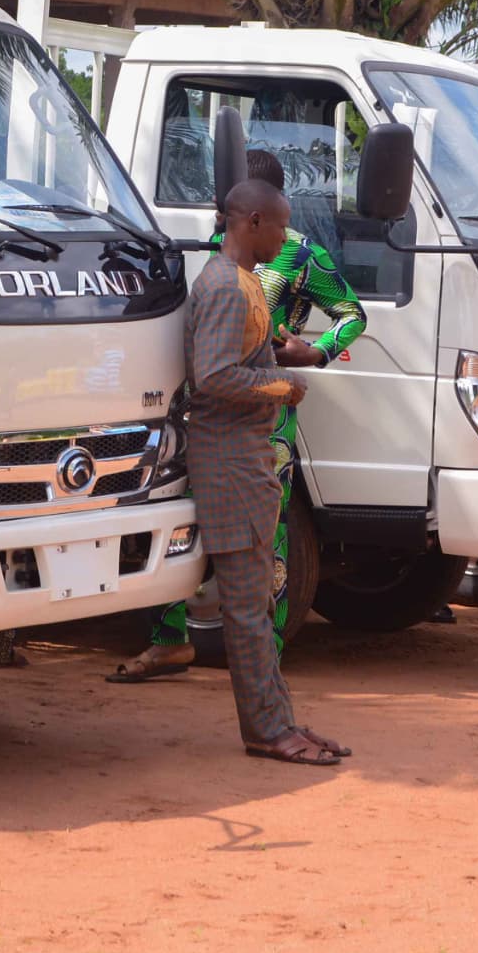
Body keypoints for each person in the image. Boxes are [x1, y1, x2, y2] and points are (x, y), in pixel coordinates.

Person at [111, 150, 384, 684]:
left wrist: (315, 352)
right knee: (179, 525)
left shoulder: (299, 253)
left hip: (266, 421)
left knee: (268, 542)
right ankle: (169, 641)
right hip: (205, 417)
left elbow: (353, 315)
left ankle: (266, 655)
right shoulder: (217, 251)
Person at [167, 178, 346, 765]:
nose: (287, 236)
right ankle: (267, 732)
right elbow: (213, 375)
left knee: (259, 604)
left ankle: (280, 720)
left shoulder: (239, 282)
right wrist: (284, 388)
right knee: (246, 605)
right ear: (250, 222)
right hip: (228, 460)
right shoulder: (223, 285)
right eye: (280, 225)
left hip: (243, 459)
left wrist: (276, 353)